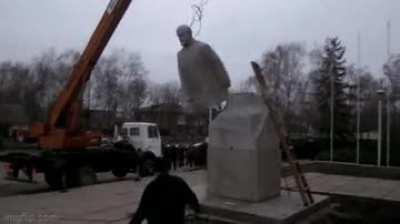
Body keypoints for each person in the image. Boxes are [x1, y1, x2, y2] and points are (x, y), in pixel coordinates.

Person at [176, 25, 231, 112]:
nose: (180, 38)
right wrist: (185, 95)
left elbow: (216, 64)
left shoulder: (203, 47)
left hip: (210, 94)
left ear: (189, 34)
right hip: (193, 98)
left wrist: (225, 82)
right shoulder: (180, 55)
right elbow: (182, 75)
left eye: (182, 35)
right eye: (179, 36)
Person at [129, 158, 200, 224]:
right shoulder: (179, 182)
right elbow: (192, 199)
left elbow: (141, 212)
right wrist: (195, 209)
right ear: (168, 168)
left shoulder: (152, 187)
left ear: (155, 169)